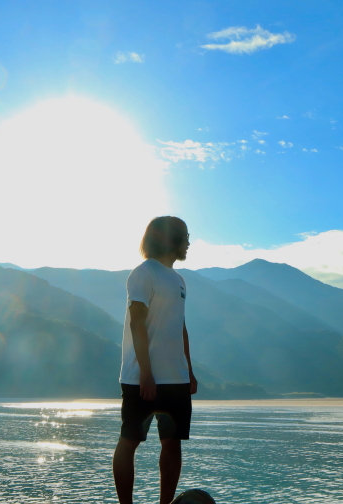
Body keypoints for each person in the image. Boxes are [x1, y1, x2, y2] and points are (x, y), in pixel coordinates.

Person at [113, 216, 199, 504]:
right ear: (169, 239)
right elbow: (137, 322)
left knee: (172, 443)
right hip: (141, 378)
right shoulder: (143, 273)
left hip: (176, 378)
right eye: (185, 236)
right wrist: (146, 373)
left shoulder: (179, 280)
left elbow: (180, 327)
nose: (188, 243)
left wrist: (189, 371)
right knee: (130, 441)